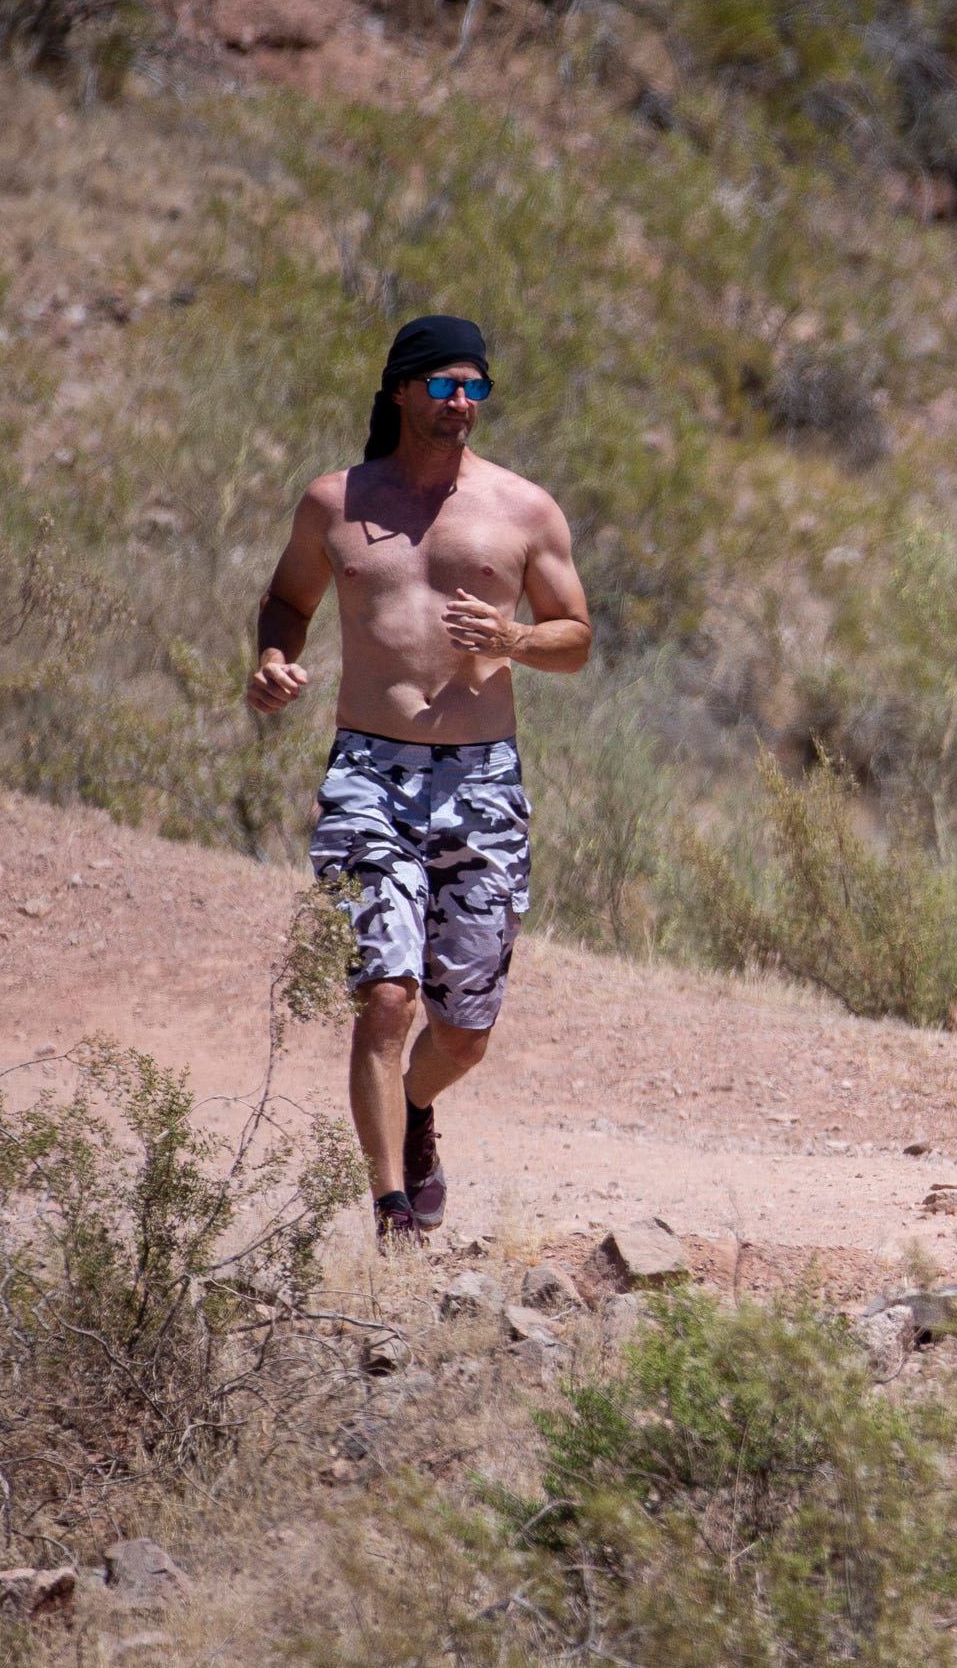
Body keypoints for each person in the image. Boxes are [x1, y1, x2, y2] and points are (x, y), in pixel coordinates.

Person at [246, 315, 593, 1244]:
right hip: (367, 770)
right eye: (444, 385)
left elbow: (577, 637)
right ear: (400, 391)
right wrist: (275, 658)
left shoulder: (523, 510)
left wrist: (517, 638)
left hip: (481, 782)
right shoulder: (333, 504)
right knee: (386, 994)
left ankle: (416, 1105)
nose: (462, 402)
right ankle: (390, 1206)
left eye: (475, 386)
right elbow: (287, 599)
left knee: (464, 1029)